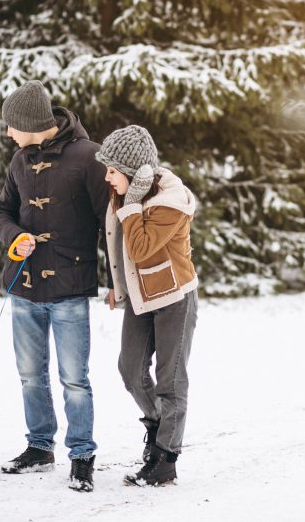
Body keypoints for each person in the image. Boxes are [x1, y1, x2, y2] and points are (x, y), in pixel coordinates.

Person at [0, 80, 108, 493]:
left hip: (70, 287)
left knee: (75, 377)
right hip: (24, 285)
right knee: (29, 375)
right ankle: (39, 447)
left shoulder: (88, 157)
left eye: (11, 126)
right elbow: (2, 211)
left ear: (32, 123)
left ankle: (82, 455)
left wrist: (116, 283)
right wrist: (14, 236)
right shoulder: (20, 161)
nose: (8, 134)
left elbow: (109, 224)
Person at [96, 125, 199, 487]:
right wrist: (117, 287)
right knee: (130, 369)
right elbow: (117, 246)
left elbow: (140, 248)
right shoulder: (126, 197)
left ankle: (166, 457)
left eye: (112, 170)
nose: (106, 177)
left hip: (175, 298)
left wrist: (132, 205)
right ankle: (157, 426)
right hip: (142, 296)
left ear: (133, 172)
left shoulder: (170, 203)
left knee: (170, 380)